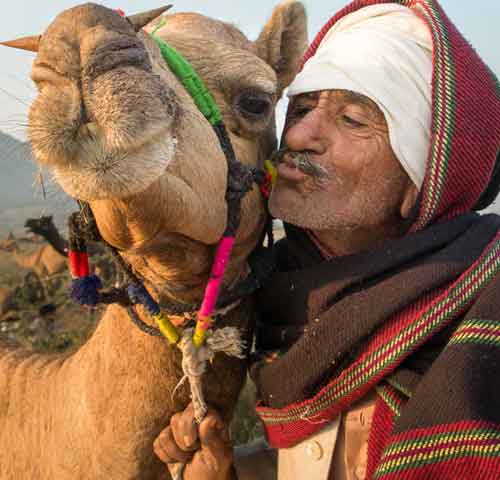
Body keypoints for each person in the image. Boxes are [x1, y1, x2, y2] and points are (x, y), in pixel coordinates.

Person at [153, 0, 500, 478]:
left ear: (427, 175)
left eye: (353, 120)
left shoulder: (486, 306)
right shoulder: (280, 300)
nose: (298, 137)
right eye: (301, 108)